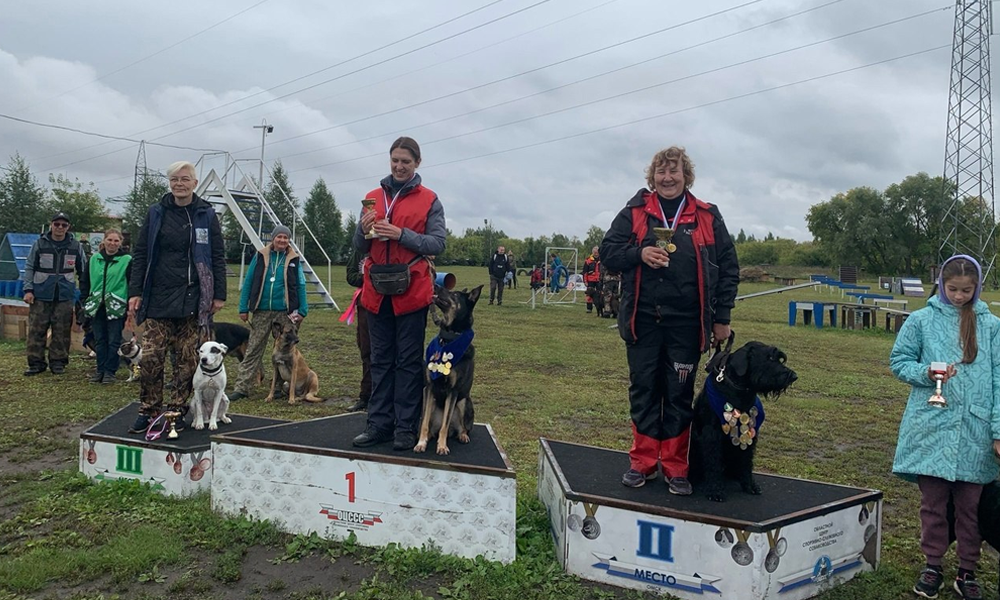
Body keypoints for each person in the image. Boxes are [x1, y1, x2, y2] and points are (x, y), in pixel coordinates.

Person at [600, 146, 739, 495]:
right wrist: (640, 253)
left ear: (685, 176)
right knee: (644, 390)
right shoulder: (634, 212)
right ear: (652, 177)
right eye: (661, 172)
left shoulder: (708, 216)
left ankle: (677, 467)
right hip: (643, 321)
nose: (667, 178)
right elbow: (608, 254)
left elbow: (729, 269)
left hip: (687, 324)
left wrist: (722, 319)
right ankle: (642, 463)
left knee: (678, 394)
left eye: (674, 172)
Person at [889, 255, 1000, 600]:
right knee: (933, 504)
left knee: (971, 508)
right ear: (941, 285)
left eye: (967, 290)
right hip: (931, 427)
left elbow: (999, 379)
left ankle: (967, 570)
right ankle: (932, 564)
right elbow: (899, 361)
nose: (959, 296)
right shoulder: (921, 320)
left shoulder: (992, 325)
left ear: (977, 287)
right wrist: (926, 374)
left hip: (975, 432)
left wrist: (998, 430)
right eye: (953, 289)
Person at [352, 136, 446, 451]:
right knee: (379, 360)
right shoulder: (371, 197)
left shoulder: (430, 199)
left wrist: (401, 234)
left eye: (406, 161)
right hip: (377, 291)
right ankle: (378, 424)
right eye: (395, 160)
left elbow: (437, 244)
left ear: (417, 163)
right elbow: (358, 246)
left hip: (412, 292)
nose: (399, 166)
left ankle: (405, 428)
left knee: (407, 362)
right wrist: (360, 228)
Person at [127, 161, 227, 434]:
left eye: (185, 179)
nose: (179, 184)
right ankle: (148, 409)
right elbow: (141, 253)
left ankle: (177, 410)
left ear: (195, 183)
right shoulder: (156, 212)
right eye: (174, 179)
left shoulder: (206, 214)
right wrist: (134, 291)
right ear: (169, 183)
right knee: (150, 358)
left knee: (186, 360)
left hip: (193, 298)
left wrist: (219, 294)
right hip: (158, 297)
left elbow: (217, 255)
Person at [229, 225, 307, 401]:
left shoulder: (294, 259)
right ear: (273, 238)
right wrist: (243, 307)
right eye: (279, 237)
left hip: (285, 311)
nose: (282, 240)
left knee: (285, 350)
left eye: (286, 238)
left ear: (289, 240)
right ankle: (242, 387)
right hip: (262, 309)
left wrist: (303, 309)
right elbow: (248, 282)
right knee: (253, 348)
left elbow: (301, 285)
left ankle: (278, 387)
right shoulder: (261, 256)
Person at [22, 212, 90, 376]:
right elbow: (30, 267)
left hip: (65, 295)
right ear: (51, 224)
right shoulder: (39, 244)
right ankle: (36, 363)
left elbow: (83, 271)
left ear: (68, 227)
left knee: (62, 331)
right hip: (40, 294)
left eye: (63, 225)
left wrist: (85, 294)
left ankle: (58, 362)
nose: (60, 227)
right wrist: (28, 290)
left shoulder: (75, 246)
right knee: (36, 330)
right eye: (57, 224)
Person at [83, 229, 131, 384]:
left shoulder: (127, 260)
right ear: (104, 241)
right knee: (99, 339)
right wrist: (85, 301)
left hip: (116, 305)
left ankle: (110, 371)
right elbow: (85, 281)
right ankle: (100, 370)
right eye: (109, 240)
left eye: (116, 241)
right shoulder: (93, 259)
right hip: (97, 305)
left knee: (114, 340)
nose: (112, 243)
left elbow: (131, 282)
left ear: (121, 243)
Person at [345, 246, 372, 412]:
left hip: (388, 307)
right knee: (366, 351)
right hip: (365, 306)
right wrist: (368, 277)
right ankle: (366, 396)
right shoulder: (360, 250)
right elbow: (351, 275)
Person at [583, 246, 601, 313]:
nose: (596, 254)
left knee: (600, 294)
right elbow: (585, 272)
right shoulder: (588, 260)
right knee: (589, 294)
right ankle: (589, 308)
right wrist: (585, 281)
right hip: (590, 280)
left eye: (597, 252)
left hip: (599, 279)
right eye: (595, 252)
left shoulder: (602, 260)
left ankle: (599, 307)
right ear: (592, 252)